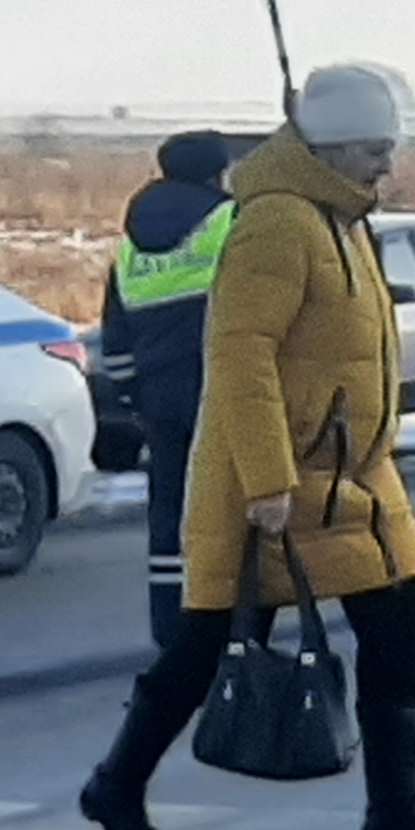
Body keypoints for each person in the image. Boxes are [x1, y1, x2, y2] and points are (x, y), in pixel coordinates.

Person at [75, 63, 415, 830]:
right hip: (276, 480)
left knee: (401, 628)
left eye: (389, 148)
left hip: (356, 479)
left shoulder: (345, 222)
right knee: (207, 644)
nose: (387, 166)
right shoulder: (276, 225)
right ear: (328, 149)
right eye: (373, 149)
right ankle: (117, 782)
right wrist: (265, 482)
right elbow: (240, 356)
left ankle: (393, 817)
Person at [97, 128, 245, 645]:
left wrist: (134, 395)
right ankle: (228, 624)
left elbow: (114, 336)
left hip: (160, 398)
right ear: (216, 171)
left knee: (169, 513)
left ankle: (172, 628)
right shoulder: (231, 221)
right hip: (221, 389)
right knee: (231, 509)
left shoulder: (131, 245)